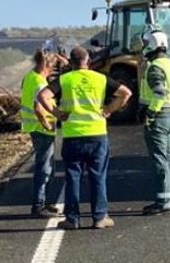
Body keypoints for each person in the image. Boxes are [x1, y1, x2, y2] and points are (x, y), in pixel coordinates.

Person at [37, 46, 131, 230]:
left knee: (73, 177)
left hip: (73, 136)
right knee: (98, 177)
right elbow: (126, 93)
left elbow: (43, 96)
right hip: (97, 135)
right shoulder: (100, 78)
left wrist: (58, 113)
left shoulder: (65, 79)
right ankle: (100, 217)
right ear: (88, 62)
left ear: (70, 63)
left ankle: (72, 219)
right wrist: (109, 110)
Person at [139, 31, 170, 216]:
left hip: (159, 117)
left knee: (160, 160)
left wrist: (150, 114)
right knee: (167, 158)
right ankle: (167, 197)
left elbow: (159, 93)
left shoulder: (154, 67)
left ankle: (162, 201)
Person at [22, 50, 61, 217]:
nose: (53, 71)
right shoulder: (40, 83)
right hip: (42, 130)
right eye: (52, 67)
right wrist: (47, 124)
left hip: (34, 128)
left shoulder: (30, 76)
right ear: (46, 65)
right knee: (44, 168)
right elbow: (38, 108)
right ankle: (39, 205)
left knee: (46, 166)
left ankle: (46, 202)